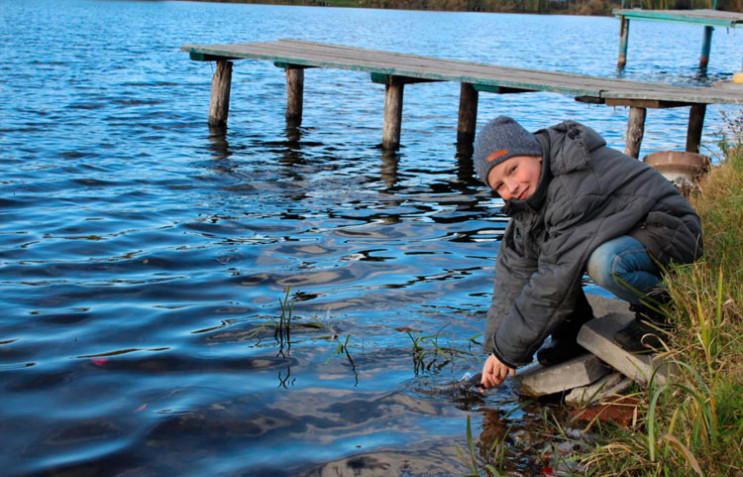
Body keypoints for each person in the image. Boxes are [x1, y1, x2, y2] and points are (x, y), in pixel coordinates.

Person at [474, 116, 703, 390]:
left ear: (533, 153)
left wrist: (508, 351)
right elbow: (513, 273)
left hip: (671, 229)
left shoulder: (571, 185)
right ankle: (572, 331)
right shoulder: (529, 199)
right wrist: (495, 348)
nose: (511, 187)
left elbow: (555, 278)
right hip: (629, 232)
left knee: (605, 263)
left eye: (512, 169)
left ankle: (663, 310)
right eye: (499, 186)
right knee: (551, 250)